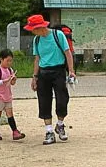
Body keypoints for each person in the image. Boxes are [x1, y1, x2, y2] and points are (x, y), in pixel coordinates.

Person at [24, 14, 76, 146]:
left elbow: (67, 53)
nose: (32, 31)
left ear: (40, 27)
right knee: (44, 101)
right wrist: (34, 77)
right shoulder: (37, 40)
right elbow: (37, 59)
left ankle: (60, 125)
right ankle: (49, 131)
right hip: (43, 73)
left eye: (33, 29)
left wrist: (71, 71)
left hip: (58, 71)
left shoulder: (58, 35)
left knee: (62, 99)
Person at [0, 48, 24, 141]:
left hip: (8, 96)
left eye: (11, 61)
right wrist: (5, 81)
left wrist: (13, 80)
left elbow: (12, 84)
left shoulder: (10, 70)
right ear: (1, 59)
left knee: (10, 114)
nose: (9, 63)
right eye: (7, 60)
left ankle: (15, 131)